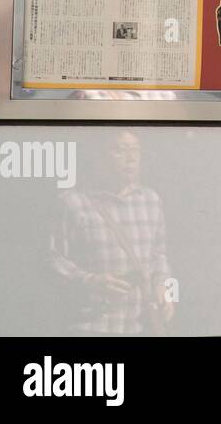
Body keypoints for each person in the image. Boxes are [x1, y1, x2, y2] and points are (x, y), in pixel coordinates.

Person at [48, 130, 174, 335]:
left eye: (135, 150)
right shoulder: (72, 203)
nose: (131, 158)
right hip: (91, 327)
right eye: (120, 150)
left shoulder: (151, 200)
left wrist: (162, 286)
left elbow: (159, 255)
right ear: (100, 156)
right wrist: (90, 280)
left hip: (143, 327)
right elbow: (52, 259)